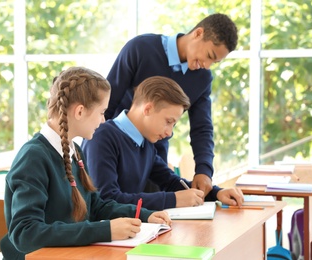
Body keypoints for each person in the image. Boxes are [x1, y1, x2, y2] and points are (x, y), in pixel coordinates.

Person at [0, 67, 171, 260]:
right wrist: (105, 230)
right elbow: (25, 234)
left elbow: (95, 206)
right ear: (80, 111)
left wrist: (143, 215)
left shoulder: (74, 151)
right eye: (101, 112)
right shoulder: (33, 157)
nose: (103, 120)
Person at [97, 13, 239, 195]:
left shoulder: (202, 78)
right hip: (116, 149)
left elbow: (202, 127)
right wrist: (96, 143)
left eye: (214, 62)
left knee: (156, 211)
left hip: (154, 158)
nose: (207, 65)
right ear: (198, 33)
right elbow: (107, 102)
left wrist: (204, 170)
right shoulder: (141, 49)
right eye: (209, 55)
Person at [82, 76, 243, 210]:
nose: (169, 132)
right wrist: (173, 200)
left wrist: (217, 193)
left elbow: (172, 182)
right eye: (168, 121)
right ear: (148, 109)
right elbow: (107, 199)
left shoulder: (145, 144)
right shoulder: (102, 137)